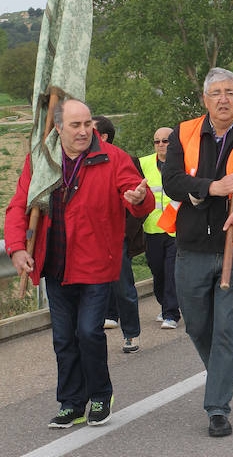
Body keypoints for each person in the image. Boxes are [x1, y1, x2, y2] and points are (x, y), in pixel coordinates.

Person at [6, 99, 153, 428]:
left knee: (88, 331)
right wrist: (16, 248)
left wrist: (139, 198)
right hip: (56, 265)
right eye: (76, 125)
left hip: (97, 264)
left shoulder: (113, 158)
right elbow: (18, 206)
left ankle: (100, 395)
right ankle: (71, 403)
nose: (84, 131)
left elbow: (138, 197)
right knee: (63, 338)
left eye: (88, 124)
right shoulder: (41, 161)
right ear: (59, 128)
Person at [161, 68, 233, 437]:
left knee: (227, 329)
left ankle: (217, 408)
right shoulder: (183, 132)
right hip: (192, 245)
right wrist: (215, 188)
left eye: (230, 92)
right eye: (216, 93)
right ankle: (223, 373)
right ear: (205, 99)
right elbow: (172, 181)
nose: (223, 99)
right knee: (196, 324)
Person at [90, 115, 146, 355]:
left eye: (89, 128)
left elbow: (140, 201)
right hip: (89, 238)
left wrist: (123, 233)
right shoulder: (79, 162)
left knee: (123, 287)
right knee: (90, 288)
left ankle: (131, 334)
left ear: (103, 136)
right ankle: (91, 335)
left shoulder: (125, 160)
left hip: (116, 237)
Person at [138, 127, 181, 330]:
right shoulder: (143, 163)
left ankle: (171, 313)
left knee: (171, 272)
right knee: (158, 271)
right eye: (157, 141)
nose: (161, 144)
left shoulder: (183, 162)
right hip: (152, 228)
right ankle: (165, 305)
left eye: (166, 140)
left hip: (176, 228)